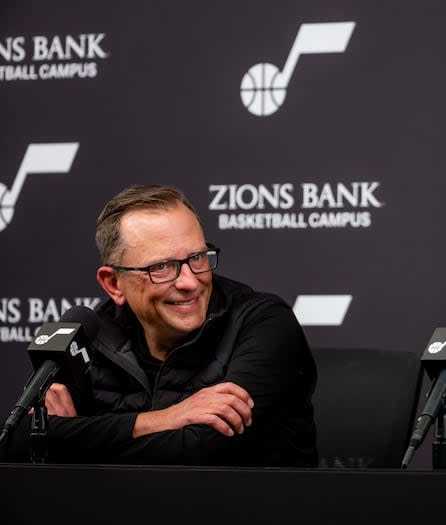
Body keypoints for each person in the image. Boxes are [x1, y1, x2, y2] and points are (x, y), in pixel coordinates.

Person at [3, 184, 318, 467]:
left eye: (197, 257)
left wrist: (71, 438)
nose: (190, 281)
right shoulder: (90, 336)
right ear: (113, 284)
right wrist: (169, 418)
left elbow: (205, 451)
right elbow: (17, 442)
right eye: (161, 267)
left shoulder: (263, 322)